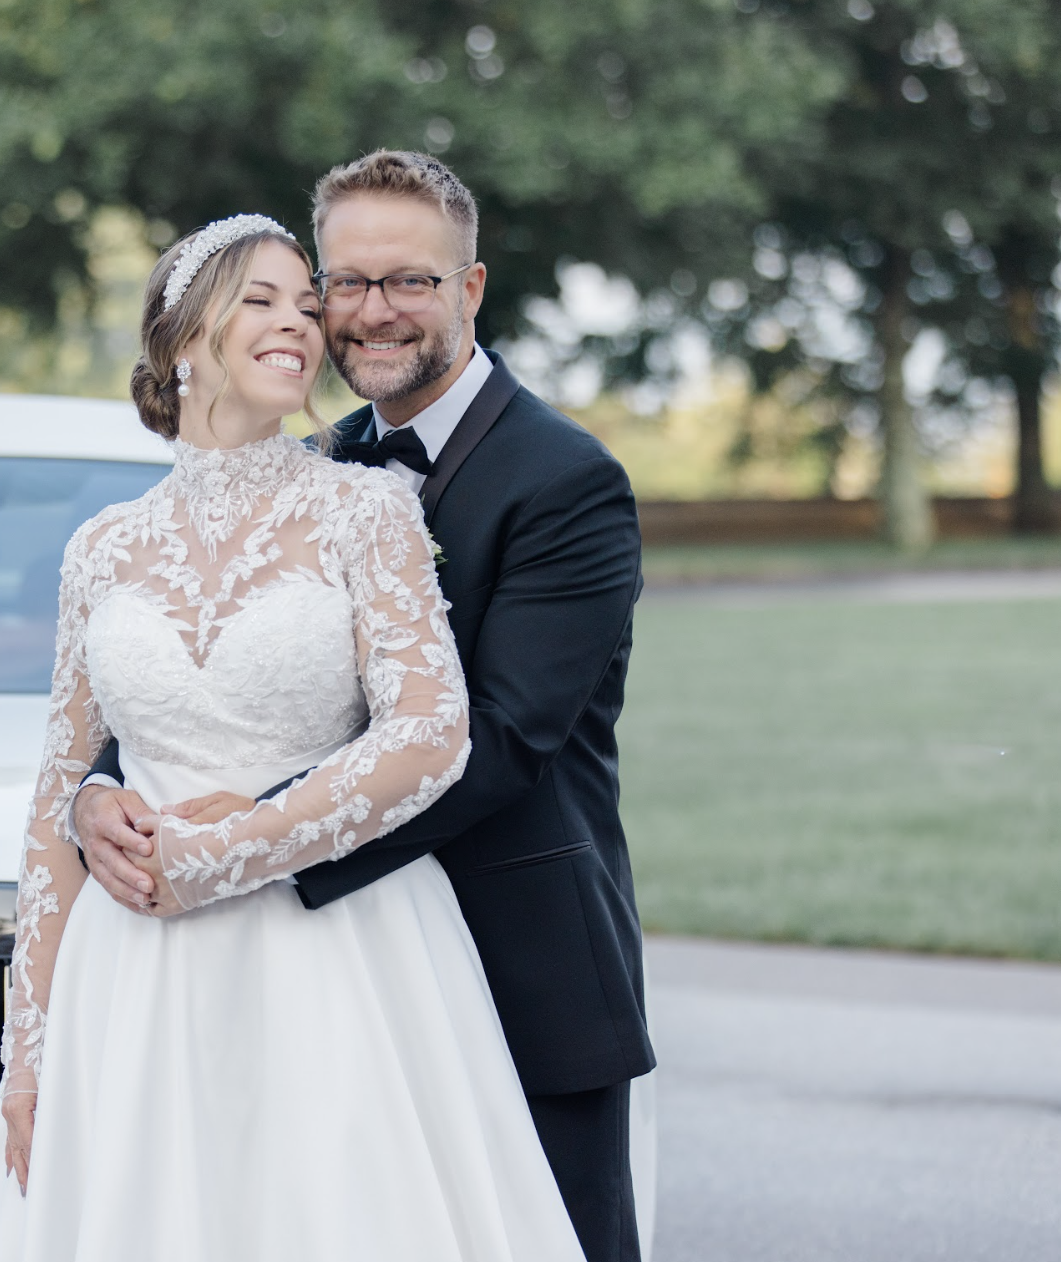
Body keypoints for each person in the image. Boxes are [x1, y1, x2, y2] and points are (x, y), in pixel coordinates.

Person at [0, 205, 586, 1262]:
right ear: (181, 342)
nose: (297, 323)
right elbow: (58, 793)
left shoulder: (366, 511)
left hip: (335, 952)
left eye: (305, 305)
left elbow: (429, 733)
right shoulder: (100, 548)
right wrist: (25, 1056)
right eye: (257, 300)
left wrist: (224, 851)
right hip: (128, 980)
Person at [74, 151, 654, 1262]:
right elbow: (211, 670)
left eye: (410, 282)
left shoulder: (565, 481)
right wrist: (103, 792)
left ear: (470, 290)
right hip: (311, 968)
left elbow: (500, 743)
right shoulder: (315, 466)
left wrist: (234, 842)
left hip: (510, 954)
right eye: (345, 281)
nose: (372, 311)